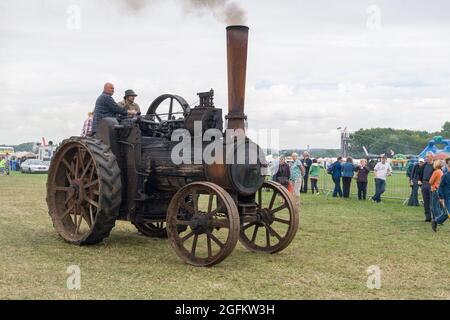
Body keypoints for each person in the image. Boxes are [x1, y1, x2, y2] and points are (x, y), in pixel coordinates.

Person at [432, 158, 450, 231]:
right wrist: (441, 198)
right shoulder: (445, 176)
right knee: (447, 213)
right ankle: (436, 221)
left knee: (446, 213)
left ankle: (436, 221)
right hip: (447, 198)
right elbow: (440, 187)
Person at [418, 152, 434, 222]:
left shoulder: (435, 165)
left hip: (432, 185)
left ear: (432, 157)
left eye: (428, 157)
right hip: (424, 184)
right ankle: (428, 217)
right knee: (426, 202)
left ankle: (435, 217)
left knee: (432, 202)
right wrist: (419, 180)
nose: (426, 158)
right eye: (426, 157)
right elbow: (420, 172)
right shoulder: (424, 165)